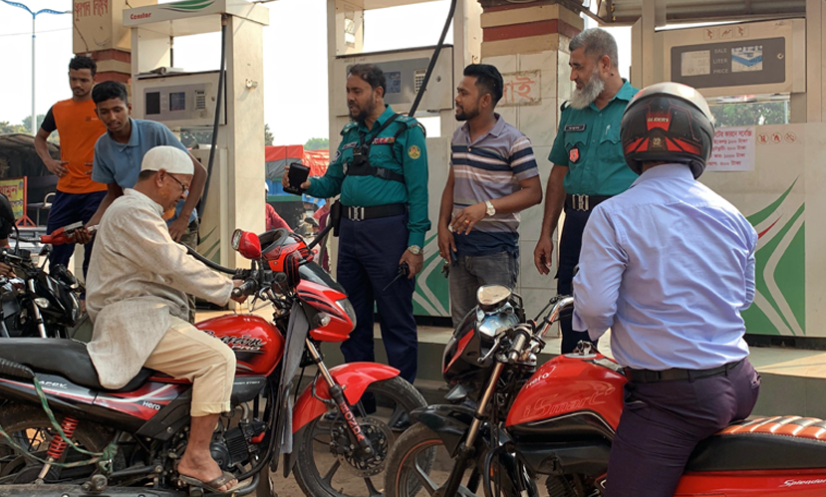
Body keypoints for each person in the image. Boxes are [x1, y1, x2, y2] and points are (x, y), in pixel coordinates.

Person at [572, 82, 760, 497]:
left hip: (672, 400)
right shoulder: (734, 218)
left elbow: (596, 308)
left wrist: (596, 326)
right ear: (702, 139)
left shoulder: (612, 215)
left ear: (630, 142)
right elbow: (742, 297)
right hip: (741, 382)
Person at [86, 146, 246, 493]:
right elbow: (173, 263)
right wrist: (226, 288)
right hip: (136, 319)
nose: (184, 195)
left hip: (146, 316)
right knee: (219, 358)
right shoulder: (132, 211)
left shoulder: (140, 212)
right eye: (182, 185)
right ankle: (197, 457)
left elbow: (174, 259)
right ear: (160, 177)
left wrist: (227, 280)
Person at [283, 63, 429, 388]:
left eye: (357, 91)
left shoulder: (406, 131)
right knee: (351, 319)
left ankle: (405, 399)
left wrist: (415, 245)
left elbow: (419, 193)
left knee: (395, 320)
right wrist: (306, 184)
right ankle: (360, 398)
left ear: (378, 92)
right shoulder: (350, 135)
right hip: (349, 235)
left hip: (389, 234)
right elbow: (331, 182)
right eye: (348, 91)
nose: (350, 97)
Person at [533, 28, 639, 353]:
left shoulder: (639, 109)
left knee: (633, 312)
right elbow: (558, 174)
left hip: (623, 226)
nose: (573, 76)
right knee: (572, 309)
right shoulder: (573, 112)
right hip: (577, 223)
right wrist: (546, 233)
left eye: (578, 66)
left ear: (604, 64)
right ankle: (575, 377)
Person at [77, 80, 207, 323]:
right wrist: (91, 226)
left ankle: (186, 337)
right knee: (149, 288)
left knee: (182, 287)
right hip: (141, 227)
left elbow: (199, 172)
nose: (112, 117)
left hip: (175, 225)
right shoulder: (103, 147)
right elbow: (113, 195)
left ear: (128, 108)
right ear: (97, 113)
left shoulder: (155, 132)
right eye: (104, 112)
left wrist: (182, 218)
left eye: (117, 109)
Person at [438, 64, 542, 325]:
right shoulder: (458, 137)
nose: (457, 98)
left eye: (464, 93)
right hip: (459, 248)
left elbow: (533, 193)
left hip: (496, 251)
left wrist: (486, 208)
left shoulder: (514, 141)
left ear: (485, 100)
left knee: (498, 330)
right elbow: (451, 184)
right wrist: (442, 227)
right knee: (463, 330)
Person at [33, 56, 107, 279]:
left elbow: (124, 139)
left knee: (94, 254)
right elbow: (39, 138)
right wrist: (49, 162)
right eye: (73, 79)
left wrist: (108, 163)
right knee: (56, 251)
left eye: (83, 80)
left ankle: (90, 297)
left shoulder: (104, 108)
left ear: (94, 79)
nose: (77, 84)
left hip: (98, 192)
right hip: (65, 191)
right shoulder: (58, 109)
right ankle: (57, 295)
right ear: (68, 77)